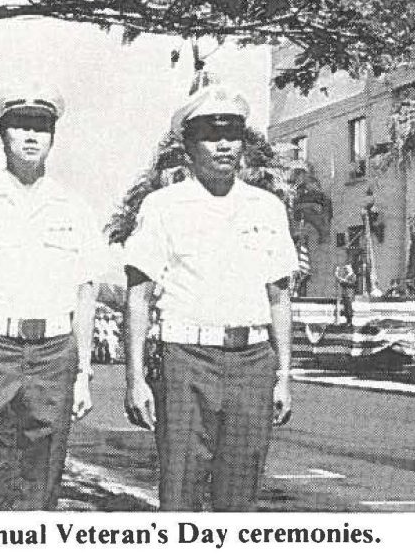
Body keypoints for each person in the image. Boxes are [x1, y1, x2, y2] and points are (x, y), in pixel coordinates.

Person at [121, 81, 298, 511]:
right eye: (210, 135)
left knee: (240, 496)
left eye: (232, 135)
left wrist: (284, 375)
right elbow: (138, 298)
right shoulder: (163, 206)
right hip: (185, 359)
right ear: (189, 145)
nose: (224, 145)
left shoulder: (266, 207)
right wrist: (135, 378)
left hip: (252, 361)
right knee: (180, 490)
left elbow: (279, 298)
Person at [0, 83, 106, 510]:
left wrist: (83, 370)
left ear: (52, 137)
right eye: (20, 126)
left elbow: (86, 293)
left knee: (43, 480)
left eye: (41, 127)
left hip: (54, 352)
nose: (31, 136)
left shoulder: (73, 206)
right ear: (2, 135)